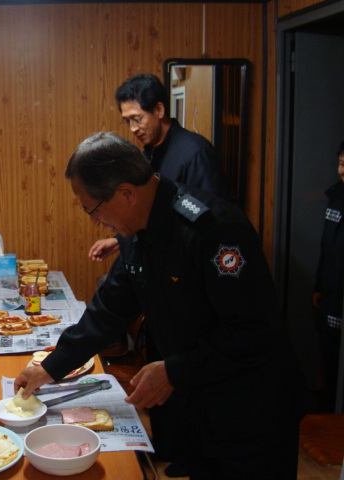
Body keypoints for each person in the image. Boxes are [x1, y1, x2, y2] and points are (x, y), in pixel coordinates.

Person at [15, 132, 307, 480]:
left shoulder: (213, 229)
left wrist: (174, 370)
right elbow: (109, 310)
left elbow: (253, 331)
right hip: (199, 398)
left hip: (251, 407)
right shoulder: (137, 231)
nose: (94, 220)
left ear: (127, 193)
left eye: (92, 208)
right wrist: (50, 367)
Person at [89, 73, 229, 263]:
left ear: (159, 110)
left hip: (188, 260)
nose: (133, 128)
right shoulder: (149, 153)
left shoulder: (195, 152)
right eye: (127, 121)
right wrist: (120, 240)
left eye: (137, 119)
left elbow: (214, 220)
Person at [312, 140, 344, 412]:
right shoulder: (336, 197)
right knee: (329, 353)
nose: (343, 170)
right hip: (331, 290)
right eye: (342, 164)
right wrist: (319, 285)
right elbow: (327, 247)